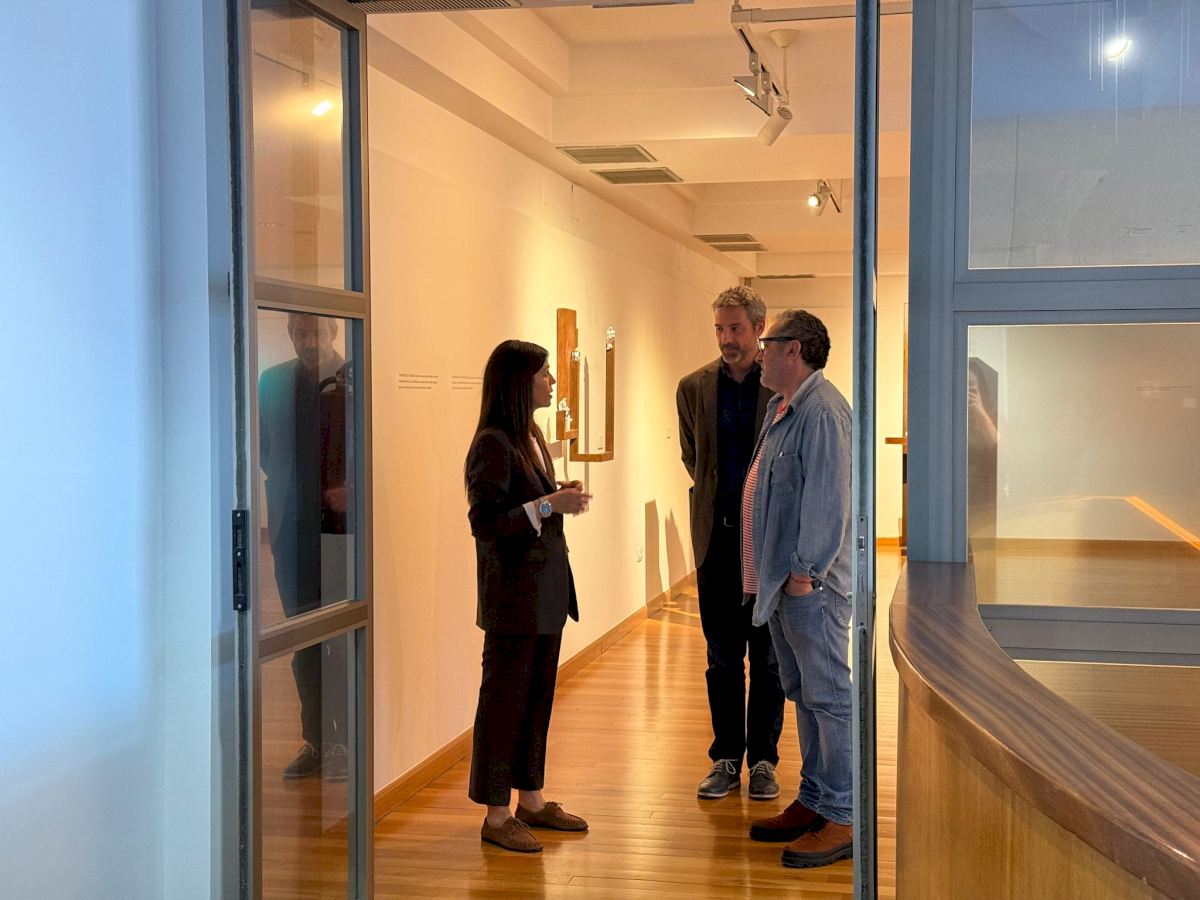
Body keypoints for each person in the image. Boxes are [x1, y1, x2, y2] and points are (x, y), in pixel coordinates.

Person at [464, 339, 592, 853]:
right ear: (520, 382)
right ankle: (496, 815)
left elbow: (532, 501)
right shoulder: (492, 443)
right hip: (513, 599)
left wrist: (556, 496)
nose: (552, 381)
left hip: (544, 594)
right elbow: (486, 524)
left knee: (536, 701)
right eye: (544, 373)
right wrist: (547, 504)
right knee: (503, 705)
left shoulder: (530, 433)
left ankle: (531, 799)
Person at [743, 309, 855, 869]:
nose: (758, 352)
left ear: (795, 349)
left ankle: (844, 814)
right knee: (806, 695)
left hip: (812, 588)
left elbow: (828, 502)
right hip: (786, 587)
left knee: (830, 699)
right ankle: (815, 799)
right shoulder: (782, 408)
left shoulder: (824, 412)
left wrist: (804, 575)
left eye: (767, 342)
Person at [676, 285, 785, 801]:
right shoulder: (692, 388)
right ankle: (725, 758)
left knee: (767, 660)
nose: (726, 339)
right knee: (721, 658)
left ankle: (763, 760)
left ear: (759, 328)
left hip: (766, 547)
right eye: (720, 328)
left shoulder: (781, 387)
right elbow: (694, 459)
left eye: (736, 328)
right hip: (717, 546)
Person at [259, 313, 351, 782]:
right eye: (299, 333)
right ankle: (315, 740)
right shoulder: (272, 382)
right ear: (290, 334)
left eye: (316, 332)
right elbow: (264, 451)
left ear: (333, 332)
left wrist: (351, 489)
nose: (308, 341)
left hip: (342, 532)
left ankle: (344, 742)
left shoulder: (353, 379)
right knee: (303, 640)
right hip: (291, 531)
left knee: (341, 639)